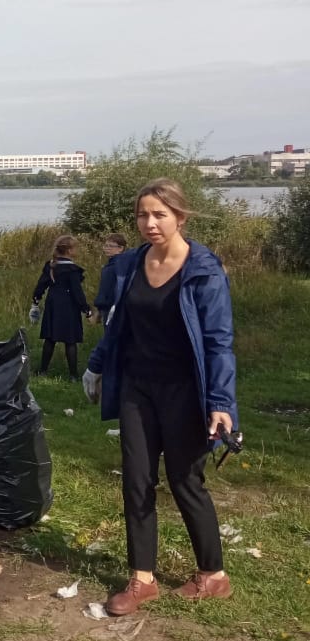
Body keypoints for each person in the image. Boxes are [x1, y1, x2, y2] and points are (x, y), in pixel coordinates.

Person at [83, 179, 237, 615]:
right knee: (136, 479)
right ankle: (142, 579)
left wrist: (221, 402)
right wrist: (96, 364)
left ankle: (213, 575)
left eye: (159, 215)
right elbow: (116, 325)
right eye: (142, 215)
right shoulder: (131, 264)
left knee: (186, 482)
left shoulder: (203, 270)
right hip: (138, 387)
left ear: (180, 218)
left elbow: (218, 342)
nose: (149, 223)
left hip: (186, 391)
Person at [30, 234, 95, 380]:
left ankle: (43, 371)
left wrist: (36, 300)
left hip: (52, 304)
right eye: (76, 248)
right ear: (70, 250)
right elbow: (77, 293)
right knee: (70, 341)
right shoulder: (72, 270)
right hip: (69, 307)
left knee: (50, 339)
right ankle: (73, 375)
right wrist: (86, 309)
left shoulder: (51, 265)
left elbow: (41, 285)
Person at [94, 233, 128, 325]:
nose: (107, 248)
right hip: (107, 307)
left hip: (112, 308)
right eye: (106, 245)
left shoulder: (118, 266)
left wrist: (101, 306)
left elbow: (108, 289)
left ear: (120, 248)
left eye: (111, 246)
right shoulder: (110, 265)